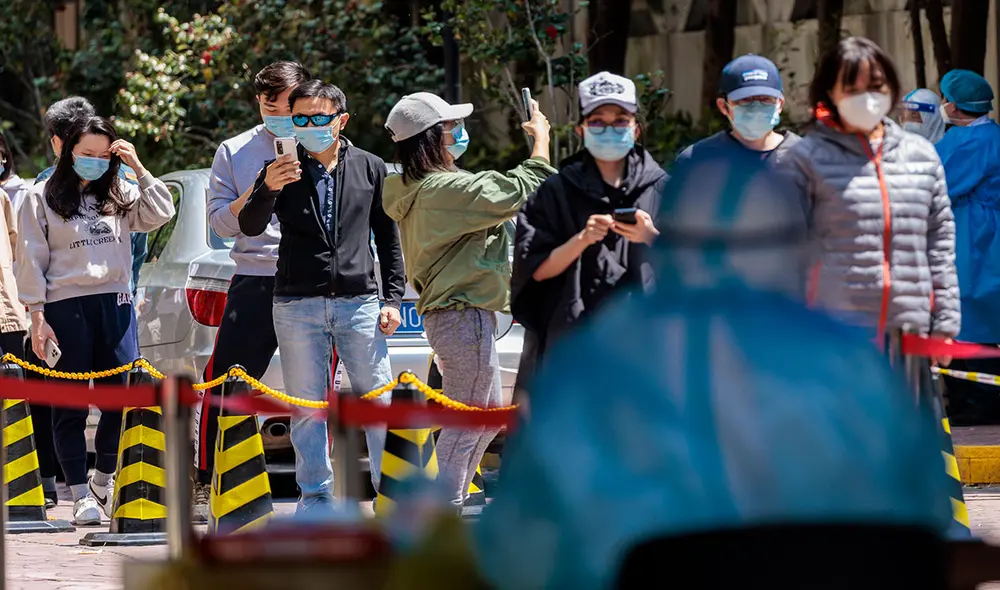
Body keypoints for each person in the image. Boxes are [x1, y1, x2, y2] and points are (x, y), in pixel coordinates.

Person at [474, 152, 954, 590]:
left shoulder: (599, 358)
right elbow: (922, 523)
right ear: (799, 247)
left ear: (670, 243)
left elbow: (522, 546)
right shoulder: (853, 361)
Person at [381, 91, 555, 508]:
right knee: (473, 416)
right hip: (462, 315)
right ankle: (443, 508)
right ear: (430, 138)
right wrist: (541, 140)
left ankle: (449, 501)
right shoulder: (443, 189)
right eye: (450, 128)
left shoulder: (417, 186)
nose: (459, 134)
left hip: (457, 316)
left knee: (485, 413)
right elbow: (521, 188)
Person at [238, 80, 405, 513]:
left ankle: (391, 495)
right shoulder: (280, 166)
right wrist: (267, 188)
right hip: (296, 304)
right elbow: (252, 226)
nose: (309, 126)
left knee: (378, 400)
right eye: (300, 119)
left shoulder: (371, 167)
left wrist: (392, 298)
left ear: (341, 120)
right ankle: (314, 499)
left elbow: (387, 239)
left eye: (318, 118)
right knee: (307, 409)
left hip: (360, 301)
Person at [16, 116, 175, 525]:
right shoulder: (40, 197)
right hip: (65, 307)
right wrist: (37, 316)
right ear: (68, 151)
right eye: (87, 154)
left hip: (116, 303)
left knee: (119, 400)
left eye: (104, 156)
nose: (96, 162)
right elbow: (31, 260)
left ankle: (103, 480)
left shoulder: (120, 191)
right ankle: (78, 494)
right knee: (69, 405)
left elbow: (162, 211)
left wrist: (137, 166)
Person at [785, 37, 959, 347]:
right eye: (853, 89)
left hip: (908, 339)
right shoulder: (805, 160)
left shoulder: (921, 155)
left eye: (876, 86)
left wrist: (945, 321)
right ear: (830, 93)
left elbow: (939, 240)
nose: (866, 98)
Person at [196, 61, 310, 510]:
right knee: (224, 382)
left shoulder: (328, 143)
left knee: (316, 388)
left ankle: (318, 490)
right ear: (258, 103)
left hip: (313, 281)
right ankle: (208, 479)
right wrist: (260, 187)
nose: (280, 113)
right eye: (270, 105)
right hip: (256, 277)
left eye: (289, 106)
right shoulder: (234, 149)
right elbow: (221, 224)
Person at [511, 72, 667, 376]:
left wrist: (650, 236)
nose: (610, 129)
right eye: (598, 121)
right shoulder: (554, 193)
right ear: (581, 130)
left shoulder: (665, 190)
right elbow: (534, 270)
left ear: (637, 129)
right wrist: (581, 239)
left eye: (621, 120)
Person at [933, 69, 1000, 425]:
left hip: (972, 239)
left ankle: (979, 403)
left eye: (945, 98)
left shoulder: (966, 143)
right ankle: (971, 399)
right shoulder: (991, 136)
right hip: (985, 239)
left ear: (955, 104)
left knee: (968, 318)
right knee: (981, 318)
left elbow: (937, 182)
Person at [36, 97, 147, 296]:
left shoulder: (47, 184)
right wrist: (132, 289)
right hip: (121, 296)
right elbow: (139, 248)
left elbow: (36, 252)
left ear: (57, 143)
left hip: (65, 299)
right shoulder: (128, 177)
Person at [675, 54, 800, 163]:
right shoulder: (696, 159)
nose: (756, 107)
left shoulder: (807, 161)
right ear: (723, 106)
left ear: (780, 104)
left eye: (765, 99)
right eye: (746, 100)